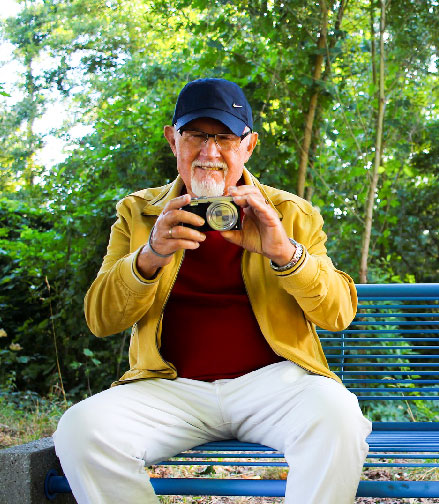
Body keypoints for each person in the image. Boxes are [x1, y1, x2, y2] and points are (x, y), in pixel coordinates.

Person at [53, 78, 371, 504]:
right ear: (173, 141)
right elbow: (101, 319)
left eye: (223, 137)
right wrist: (149, 255)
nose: (209, 153)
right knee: (81, 430)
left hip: (274, 385)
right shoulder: (141, 212)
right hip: (171, 388)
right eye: (196, 136)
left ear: (248, 146)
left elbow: (338, 313)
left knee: (338, 419)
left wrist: (285, 252)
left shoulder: (288, 213)